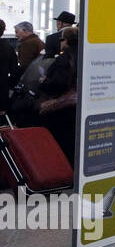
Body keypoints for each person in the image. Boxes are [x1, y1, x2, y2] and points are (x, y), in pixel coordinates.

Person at [37, 26, 78, 162]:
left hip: (63, 105)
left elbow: (59, 83)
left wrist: (44, 82)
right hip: (77, 103)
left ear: (66, 40)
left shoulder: (64, 58)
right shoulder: (84, 55)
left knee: (61, 140)